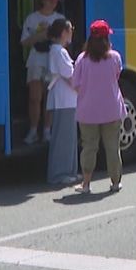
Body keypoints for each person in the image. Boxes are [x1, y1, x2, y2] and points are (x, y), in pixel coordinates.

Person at [73, 20, 127, 195]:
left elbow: (76, 84)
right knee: (112, 147)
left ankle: (86, 183)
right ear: (106, 39)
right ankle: (115, 182)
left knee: (89, 147)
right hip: (112, 110)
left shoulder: (82, 59)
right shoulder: (115, 57)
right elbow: (117, 77)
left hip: (87, 111)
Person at [20, 0, 65, 145]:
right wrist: (39, 36)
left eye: (55, 1)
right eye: (51, 0)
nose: (53, 3)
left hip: (52, 60)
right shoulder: (32, 18)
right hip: (36, 60)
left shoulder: (60, 19)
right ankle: (33, 130)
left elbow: (66, 42)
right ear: (44, 0)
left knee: (49, 98)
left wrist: (52, 37)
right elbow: (24, 42)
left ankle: (47, 131)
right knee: (34, 98)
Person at [46, 19, 80, 186]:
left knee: (69, 136)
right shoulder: (59, 51)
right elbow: (69, 74)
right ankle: (60, 174)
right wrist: (82, 90)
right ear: (64, 32)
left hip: (66, 99)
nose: (72, 32)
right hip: (64, 99)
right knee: (63, 137)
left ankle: (70, 171)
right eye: (70, 29)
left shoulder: (58, 50)